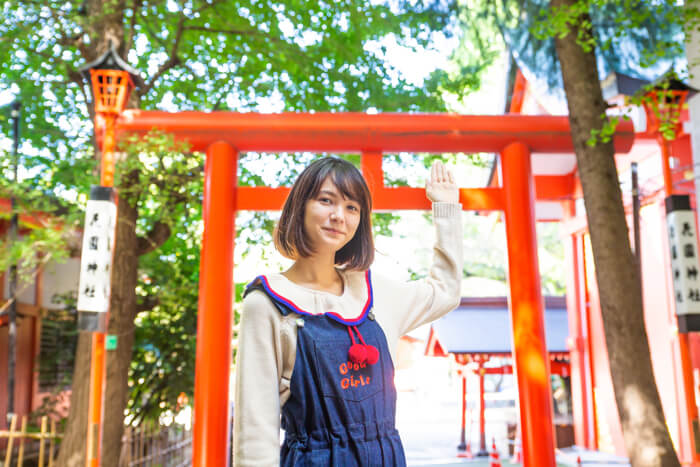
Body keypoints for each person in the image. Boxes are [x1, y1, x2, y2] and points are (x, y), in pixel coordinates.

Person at [234, 156, 463, 466]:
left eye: (352, 207)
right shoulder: (267, 303)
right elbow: (255, 430)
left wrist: (446, 210)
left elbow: (445, 292)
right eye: (326, 201)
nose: (339, 216)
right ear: (300, 207)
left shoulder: (375, 291)